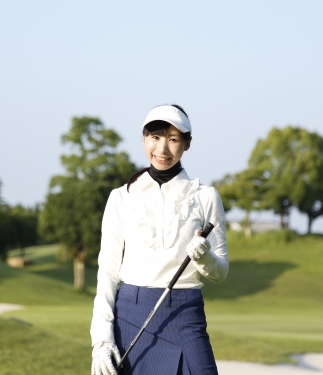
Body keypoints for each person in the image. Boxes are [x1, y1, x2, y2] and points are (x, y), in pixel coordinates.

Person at [90, 104, 229, 375]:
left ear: (187, 144)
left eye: (173, 139)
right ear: (144, 138)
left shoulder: (205, 197)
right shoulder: (121, 197)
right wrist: (101, 339)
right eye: (155, 137)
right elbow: (107, 272)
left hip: (185, 316)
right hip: (130, 315)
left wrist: (204, 257)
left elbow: (220, 272)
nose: (163, 149)